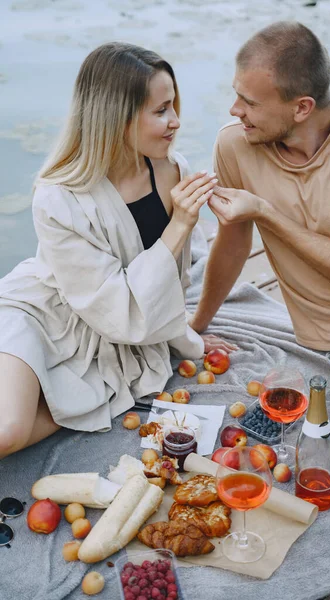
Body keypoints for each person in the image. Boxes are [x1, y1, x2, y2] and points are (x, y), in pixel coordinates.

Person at [190, 22, 330, 511]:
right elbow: (232, 244)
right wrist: (194, 328)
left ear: (301, 106)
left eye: (249, 101)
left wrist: (265, 211)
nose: (234, 110)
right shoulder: (235, 145)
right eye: (235, 94)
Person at [0, 42, 236, 459]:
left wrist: (185, 331)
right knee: (9, 430)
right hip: (49, 315)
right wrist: (179, 224)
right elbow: (111, 302)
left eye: (173, 106)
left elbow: (171, 282)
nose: (176, 121)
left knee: (76, 407)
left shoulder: (170, 169)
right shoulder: (58, 197)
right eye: (161, 111)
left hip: (120, 336)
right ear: (117, 117)